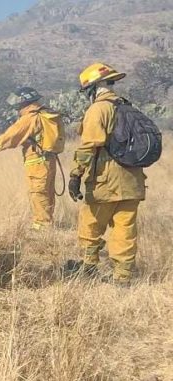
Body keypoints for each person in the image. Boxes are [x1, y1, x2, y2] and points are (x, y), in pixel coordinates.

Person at [67, 63, 146, 285]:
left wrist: (76, 175)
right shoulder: (128, 107)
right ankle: (123, 277)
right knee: (125, 230)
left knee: (90, 224)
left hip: (105, 181)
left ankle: (89, 267)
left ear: (94, 88)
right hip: (132, 181)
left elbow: (89, 146)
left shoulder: (98, 109)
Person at [0, 87, 63, 230]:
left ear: (24, 102)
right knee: (47, 192)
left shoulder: (29, 117)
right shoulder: (44, 113)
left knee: (38, 192)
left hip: (37, 161)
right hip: (48, 159)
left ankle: (42, 226)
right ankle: (46, 222)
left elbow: (13, 135)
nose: (15, 107)